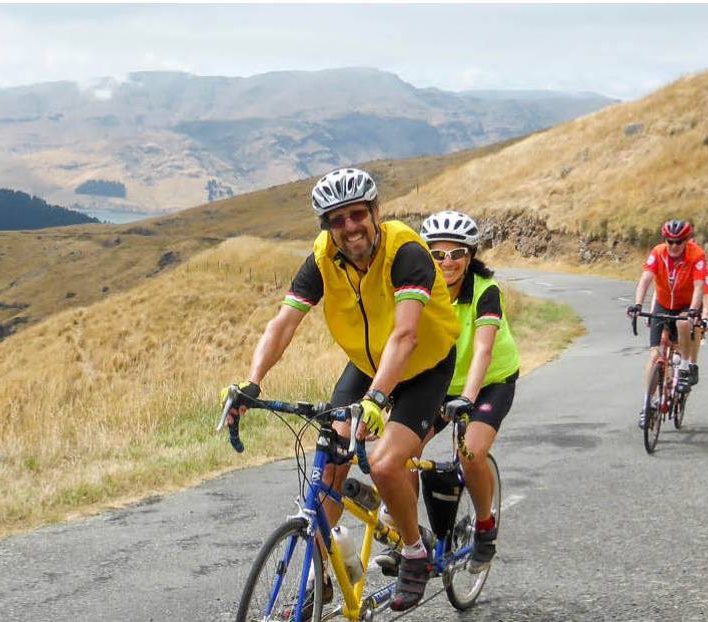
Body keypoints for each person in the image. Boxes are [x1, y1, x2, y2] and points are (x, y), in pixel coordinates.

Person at [222, 167, 460, 612]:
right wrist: (252, 382)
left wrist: (376, 399)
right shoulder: (321, 258)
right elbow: (283, 324)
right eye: (337, 219)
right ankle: (324, 574)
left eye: (357, 215)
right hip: (367, 364)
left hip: (424, 365)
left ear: (375, 212)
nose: (349, 227)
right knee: (329, 460)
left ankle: (414, 552)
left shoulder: (406, 251)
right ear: (327, 227)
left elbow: (406, 336)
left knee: (388, 463)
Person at [417, 210, 518, 574]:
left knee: (471, 454)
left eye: (457, 253)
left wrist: (468, 399)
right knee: (403, 450)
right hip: (443, 384)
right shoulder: (422, 290)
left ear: (470, 255)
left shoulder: (485, 290)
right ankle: (412, 540)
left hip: (491, 381)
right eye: (438, 254)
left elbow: (483, 351)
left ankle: (485, 527)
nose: (448, 262)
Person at [625, 220, 708, 429]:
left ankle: (685, 367)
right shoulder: (658, 252)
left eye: (678, 242)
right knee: (655, 356)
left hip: (686, 305)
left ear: (686, 241)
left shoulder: (696, 255)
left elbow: (700, 287)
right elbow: (645, 279)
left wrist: (693, 311)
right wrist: (637, 304)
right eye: (669, 241)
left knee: (682, 325)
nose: (673, 246)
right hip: (662, 304)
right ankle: (647, 404)